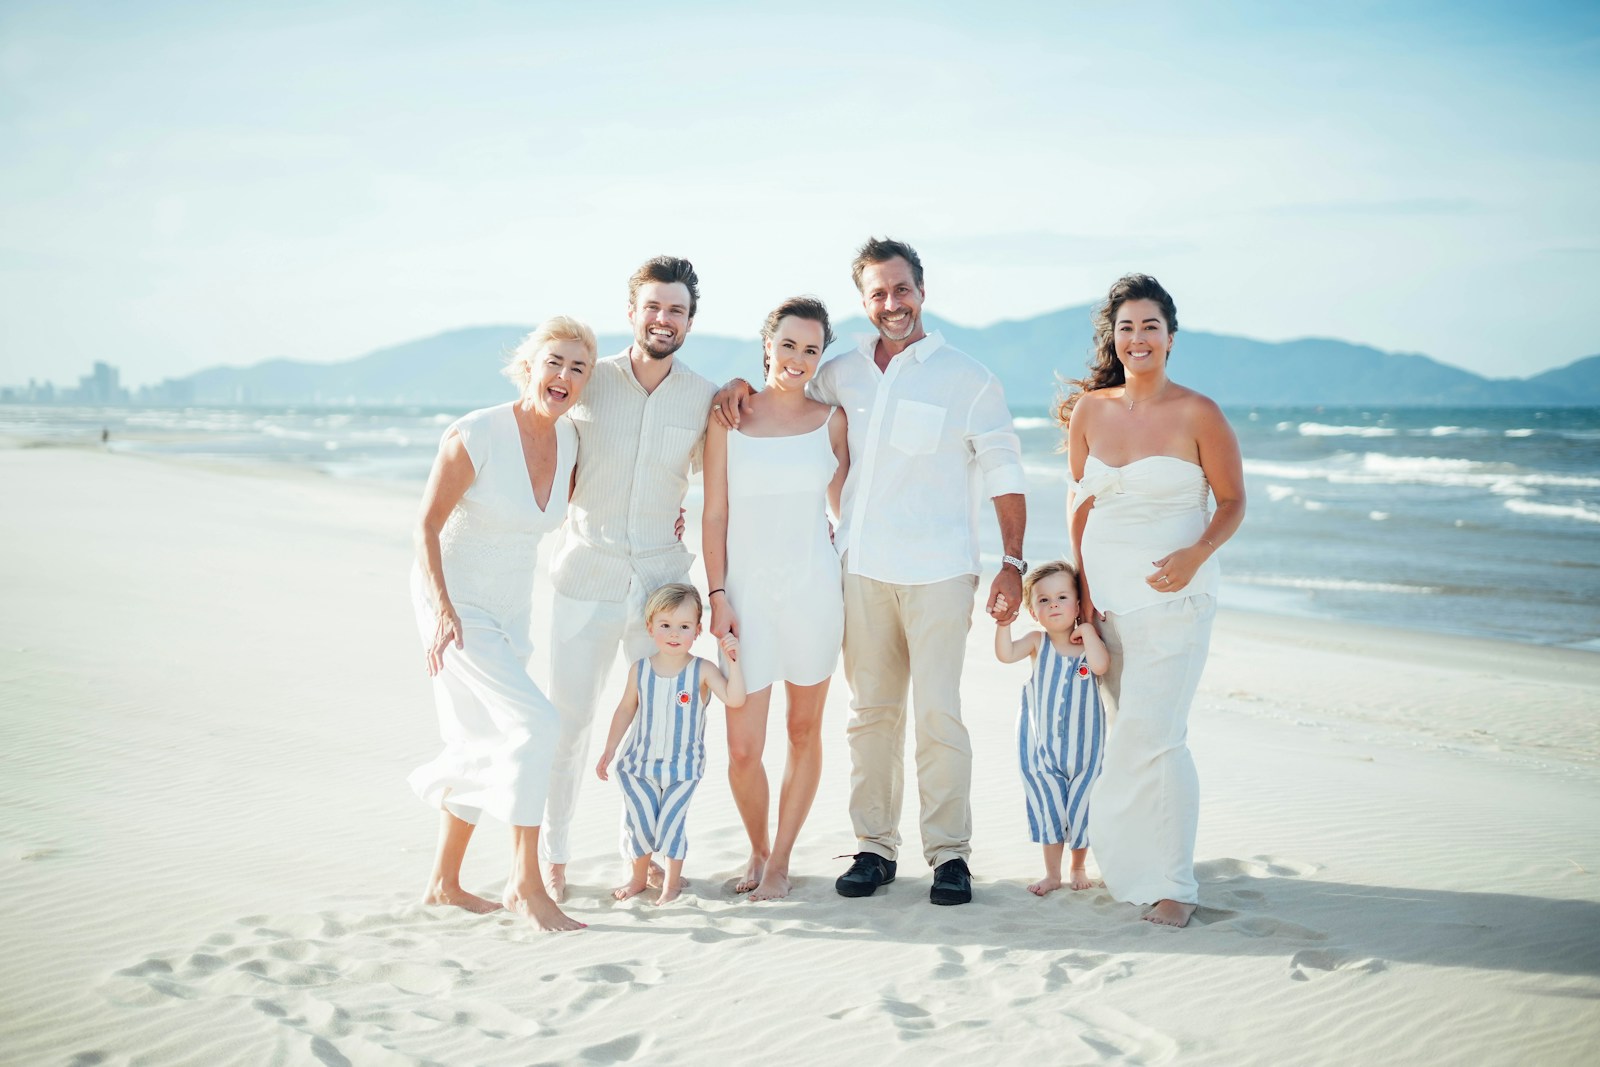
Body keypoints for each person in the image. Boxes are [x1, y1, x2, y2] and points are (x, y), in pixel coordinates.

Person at [713, 237, 1027, 906]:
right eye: (878, 293)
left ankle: (949, 855)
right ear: (864, 301)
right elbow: (785, 397)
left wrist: (1014, 562)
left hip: (941, 571)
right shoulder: (840, 372)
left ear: (922, 290)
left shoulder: (969, 379)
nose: (892, 302)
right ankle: (875, 848)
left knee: (939, 712)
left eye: (902, 288)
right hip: (857, 569)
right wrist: (734, 386)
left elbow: (1004, 468)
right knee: (870, 714)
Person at [1058, 273, 1246, 928]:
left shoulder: (1200, 412)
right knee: (1129, 737)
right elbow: (1078, 508)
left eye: (1151, 326)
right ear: (1114, 337)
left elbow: (1232, 501)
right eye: (1127, 327)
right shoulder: (1090, 410)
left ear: (1171, 336)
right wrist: (1082, 599)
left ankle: (1174, 884)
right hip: (1107, 607)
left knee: (1156, 739)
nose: (1138, 338)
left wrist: (1197, 552)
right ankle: (1135, 865)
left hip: (1176, 602)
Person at [409, 316, 595, 932]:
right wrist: (442, 609)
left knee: (479, 736)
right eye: (554, 362)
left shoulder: (569, 442)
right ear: (529, 367)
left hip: (512, 605)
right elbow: (426, 527)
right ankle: (525, 882)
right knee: (536, 723)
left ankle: (444, 883)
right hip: (456, 604)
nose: (564, 376)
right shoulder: (478, 433)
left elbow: (578, 511)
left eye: (578, 367)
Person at [542, 256, 719, 902]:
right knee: (570, 721)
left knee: (659, 731)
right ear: (632, 312)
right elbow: (542, 439)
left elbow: (724, 482)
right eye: (653, 306)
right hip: (586, 573)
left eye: (675, 308)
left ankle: (639, 862)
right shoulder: (591, 382)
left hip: (662, 589)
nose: (663, 318)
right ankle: (553, 856)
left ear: (690, 320)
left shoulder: (704, 397)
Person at [701, 296, 849, 901]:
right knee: (742, 748)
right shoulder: (728, 417)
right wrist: (717, 594)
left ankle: (782, 859)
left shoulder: (832, 420)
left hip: (814, 592)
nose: (797, 358)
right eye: (788, 344)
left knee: (804, 729)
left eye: (811, 349)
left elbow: (849, 508)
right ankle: (757, 847)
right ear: (767, 345)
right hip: (745, 597)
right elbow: (713, 514)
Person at [595, 584, 746, 905]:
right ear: (650, 627)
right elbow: (625, 709)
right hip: (638, 766)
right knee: (641, 825)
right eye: (665, 625)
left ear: (697, 630)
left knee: (671, 825)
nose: (674, 634)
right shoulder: (641, 670)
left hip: (683, 769)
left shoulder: (702, 670)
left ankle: (672, 884)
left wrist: (734, 662)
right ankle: (638, 878)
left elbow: (735, 699)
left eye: (684, 626)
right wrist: (609, 749)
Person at [994, 560, 1109, 896]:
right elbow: (1005, 654)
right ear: (1033, 611)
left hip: (1086, 751)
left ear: (1078, 604)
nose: (1054, 604)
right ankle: (1052, 873)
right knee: (1049, 808)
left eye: (1062, 597)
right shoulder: (1036, 642)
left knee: (1081, 807)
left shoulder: (1089, 648)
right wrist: (1004, 624)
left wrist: (1088, 631)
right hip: (1041, 750)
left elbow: (1102, 666)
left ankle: (1077, 866)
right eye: (1044, 600)